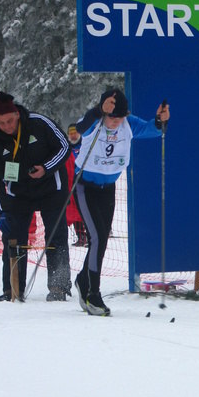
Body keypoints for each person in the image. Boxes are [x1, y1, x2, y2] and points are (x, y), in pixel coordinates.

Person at [73, 88, 170, 316]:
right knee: (97, 238)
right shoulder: (95, 121)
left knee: (101, 239)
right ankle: (93, 294)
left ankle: (83, 280)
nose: (116, 121)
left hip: (108, 188)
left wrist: (160, 120)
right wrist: (99, 111)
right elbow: (81, 128)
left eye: (120, 117)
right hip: (85, 187)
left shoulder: (128, 123)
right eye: (112, 117)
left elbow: (152, 129)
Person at [0, 91, 72, 302]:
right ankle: (13, 289)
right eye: (1, 123)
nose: (6, 126)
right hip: (18, 194)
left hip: (51, 188)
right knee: (13, 238)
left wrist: (46, 167)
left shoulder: (39, 123)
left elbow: (64, 146)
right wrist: (1, 212)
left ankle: (59, 286)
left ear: (17, 114)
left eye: (9, 121)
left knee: (56, 237)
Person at [65, 123, 87, 246]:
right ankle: (81, 236)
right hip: (70, 183)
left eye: (75, 133)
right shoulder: (66, 148)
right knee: (73, 211)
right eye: (71, 133)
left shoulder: (85, 145)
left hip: (85, 182)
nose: (73, 136)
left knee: (88, 209)